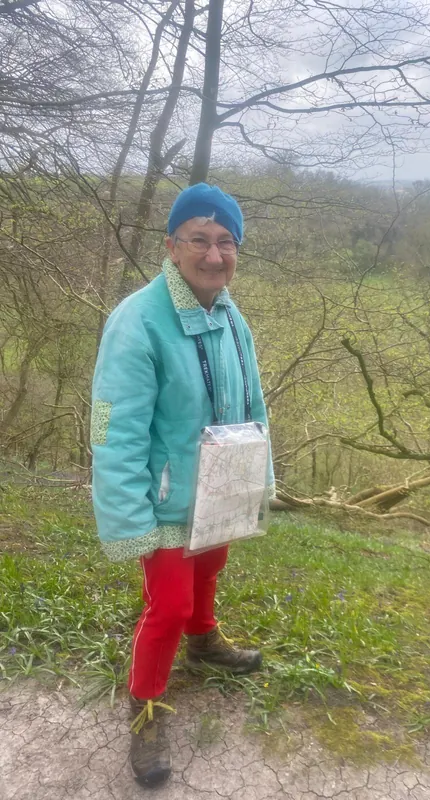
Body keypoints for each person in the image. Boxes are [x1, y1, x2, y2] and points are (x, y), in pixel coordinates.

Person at [90, 183, 274, 788]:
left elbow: (254, 405)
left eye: (226, 242)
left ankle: (204, 639)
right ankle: (145, 707)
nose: (214, 254)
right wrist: (129, 519)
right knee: (167, 604)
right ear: (172, 246)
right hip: (165, 498)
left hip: (219, 492)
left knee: (209, 570)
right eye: (199, 239)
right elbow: (110, 429)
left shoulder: (229, 311)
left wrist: (256, 479)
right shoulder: (136, 321)